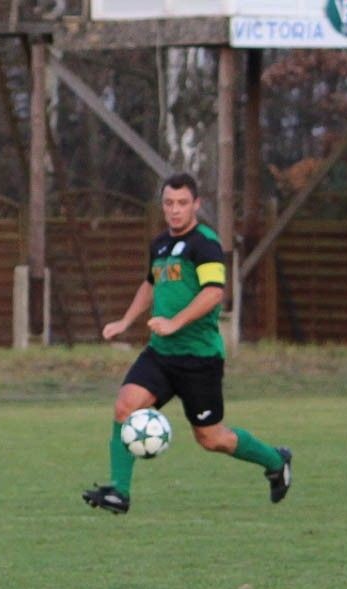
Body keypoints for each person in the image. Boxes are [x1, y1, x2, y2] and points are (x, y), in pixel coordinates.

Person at [82, 173, 292, 514]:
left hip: (199, 358)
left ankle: (275, 460)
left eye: (182, 203)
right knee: (125, 407)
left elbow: (214, 293)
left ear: (196, 204)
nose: (175, 210)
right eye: (169, 203)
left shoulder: (205, 244)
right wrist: (125, 321)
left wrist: (174, 322)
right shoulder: (160, 245)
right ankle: (119, 492)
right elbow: (150, 284)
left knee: (211, 438)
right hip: (161, 354)